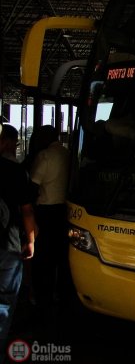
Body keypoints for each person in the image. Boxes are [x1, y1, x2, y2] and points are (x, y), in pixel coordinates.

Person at [0, 124, 37, 358]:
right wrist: (31, 240)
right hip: (9, 246)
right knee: (3, 302)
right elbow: (27, 212)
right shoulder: (16, 172)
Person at [28, 125, 72, 318]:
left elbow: (32, 186)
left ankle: (42, 298)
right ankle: (62, 295)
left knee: (43, 258)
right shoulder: (68, 154)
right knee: (61, 256)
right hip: (65, 211)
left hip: (45, 212)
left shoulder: (45, 156)